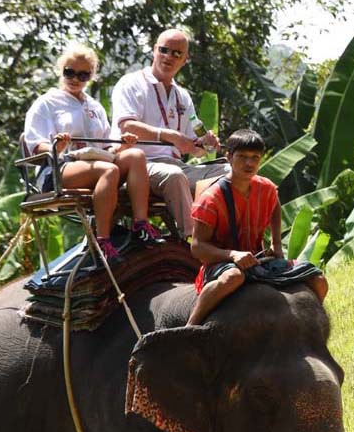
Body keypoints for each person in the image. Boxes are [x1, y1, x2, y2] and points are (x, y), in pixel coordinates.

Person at [24, 42, 163, 262]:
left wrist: (123, 146)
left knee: (135, 155)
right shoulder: (46, 103)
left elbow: (106, 148)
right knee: (107, 170)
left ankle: (141, 224)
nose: (75, 79)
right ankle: (104, 240)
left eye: (83, 75)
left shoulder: (94, 107)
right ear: (61, 71)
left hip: (98, 163)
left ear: (91, 76)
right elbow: (35, 144)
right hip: (58, 169)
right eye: (69, 72)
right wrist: (56, 147)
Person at [187, 128, 329, 326]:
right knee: (233, 278)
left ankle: (311, 326)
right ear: (228, 157)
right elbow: (197, 247)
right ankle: (191, 326)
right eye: (242, 157)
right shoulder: (211, 199)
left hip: (259, 261)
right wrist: (233, 255)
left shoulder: (266, 187)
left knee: (318, 279)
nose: (249, 163)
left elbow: (275, 206)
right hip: (222, 264)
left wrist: (277, 243)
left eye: (255, 157)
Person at [110, 28, 227, 236]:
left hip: (176, 165)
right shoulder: (131, 83)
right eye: (164, 50)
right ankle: (193, 240)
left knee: (230, 172)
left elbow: (196, 148)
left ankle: (234, 238)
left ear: (185, 59)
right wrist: (169, 135)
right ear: (154, 50)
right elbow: (126, 126)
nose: (168, 57)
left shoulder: (182, 96)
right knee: (173, 176)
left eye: (176, 53)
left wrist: (206, 143)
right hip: (138, 166)